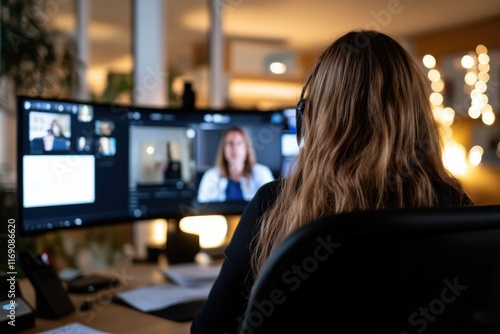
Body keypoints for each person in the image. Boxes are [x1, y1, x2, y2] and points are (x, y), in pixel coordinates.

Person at [190, 30, 474, 333]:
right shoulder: (455, 210)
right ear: (417, 116)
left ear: (310, 118)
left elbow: (207, 329)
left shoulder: (273, 205)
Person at [196, 126, 274, 203]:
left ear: (246, 148)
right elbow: (202, 209)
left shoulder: (262, 173)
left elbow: (272, 205)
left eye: (239, 143)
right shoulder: (210, 176)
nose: (235, 148)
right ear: (223, 149)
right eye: (230, 143)